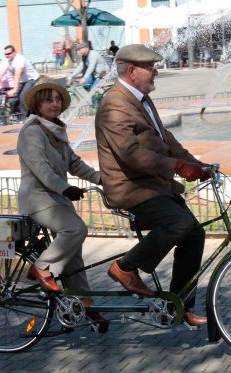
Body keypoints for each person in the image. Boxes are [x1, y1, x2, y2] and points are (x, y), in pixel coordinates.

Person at [95, 44, 210, 327]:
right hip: (130, 188)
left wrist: (197, 164)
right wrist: (177, 167)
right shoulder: (114, 103)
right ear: (132, 71)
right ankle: (125, 267)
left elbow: (165, 141)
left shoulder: (141, 99)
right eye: (151, 67)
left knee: (194, 234)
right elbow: (129, 152)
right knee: (178, 223)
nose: (156, 71)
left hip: (152, 186)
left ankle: (180, 306)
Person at [17, 77, 107, 324]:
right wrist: (65, 188)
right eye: (48, 100)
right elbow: (41, 168)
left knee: (72, 252)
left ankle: (84, 304)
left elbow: (74, 162)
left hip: (55, 199)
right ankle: (42, 268)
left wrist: (103, 178)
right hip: (37, 198)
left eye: (58, 100)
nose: (55, 104)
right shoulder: (32, 131)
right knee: (75, 229)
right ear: (37, 104)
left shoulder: (55, 129)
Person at [0, 45, 39, 117]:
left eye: (9, 53)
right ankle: (17, 115)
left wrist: (15, 89)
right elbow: (0, 74)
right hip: (21, 81)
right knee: (13, 99)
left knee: (22, 96)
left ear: (14, 52)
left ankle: (28, 117)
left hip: (31, 79)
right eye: (5, 54)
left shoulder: (19, 59)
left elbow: (17, 74)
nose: (7, 56)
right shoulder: (6, 60)